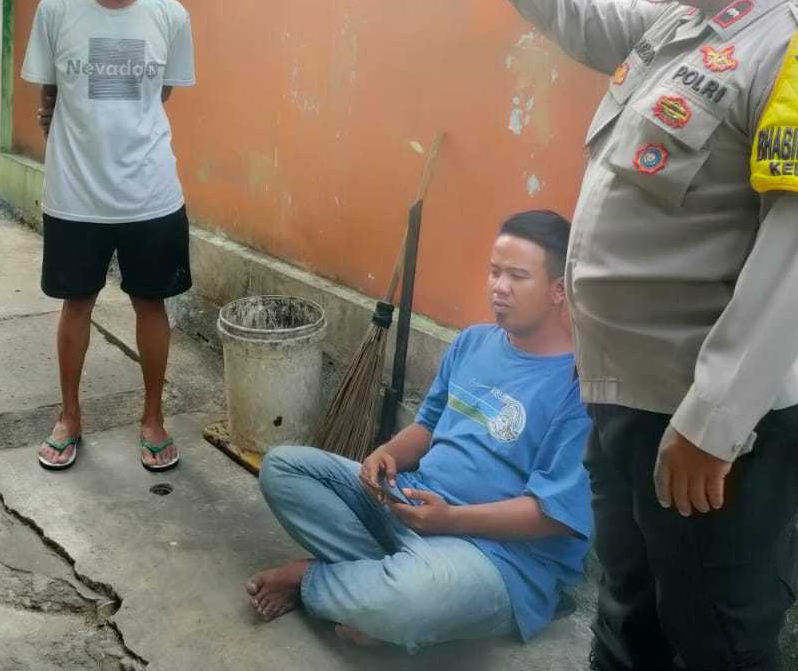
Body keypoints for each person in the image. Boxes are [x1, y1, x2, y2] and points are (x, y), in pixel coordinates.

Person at [435, 0, 798, 671]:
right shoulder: (688, 26)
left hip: (718, 418)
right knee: (632, 610)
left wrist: (715, 426)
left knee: (712, 632)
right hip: (632, 397)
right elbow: (577, 13)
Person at [246, 210, 592, 652]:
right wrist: (385, 454)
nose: (498, 287)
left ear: (558, 289)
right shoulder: (473, 341)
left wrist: (450, 520)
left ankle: (310, 580)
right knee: (283, 468)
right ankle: (380, 592)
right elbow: (427, 426)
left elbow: (554, 515)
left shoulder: (579, 387)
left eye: (517, 276)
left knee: (414, 601)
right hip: (410, 503)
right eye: (494, 272)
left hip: (498, 556)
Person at [20, 0, 197, 472]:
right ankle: (69, 416)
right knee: (78, 302)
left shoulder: (170, 15)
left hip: (150, 191)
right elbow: (47, 90)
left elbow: (160, 95)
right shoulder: (57, 9)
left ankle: (153, 417)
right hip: (76, 194)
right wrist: (62, 121)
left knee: (152, 302)